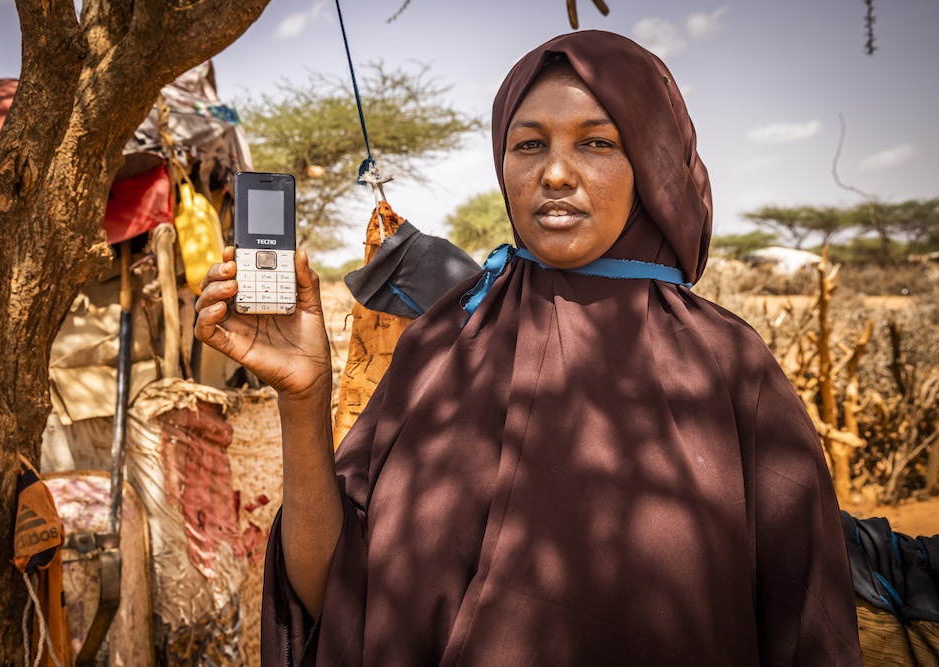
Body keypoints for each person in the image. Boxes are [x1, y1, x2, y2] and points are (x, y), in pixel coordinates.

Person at [195, 31, 862, 666]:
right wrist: (304, 400)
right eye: (529, 144)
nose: (556, 173)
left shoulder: (727, 366)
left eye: (597, 142)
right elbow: (336, 603)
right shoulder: (446, 341)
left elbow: (810, 629)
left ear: (654, 166)